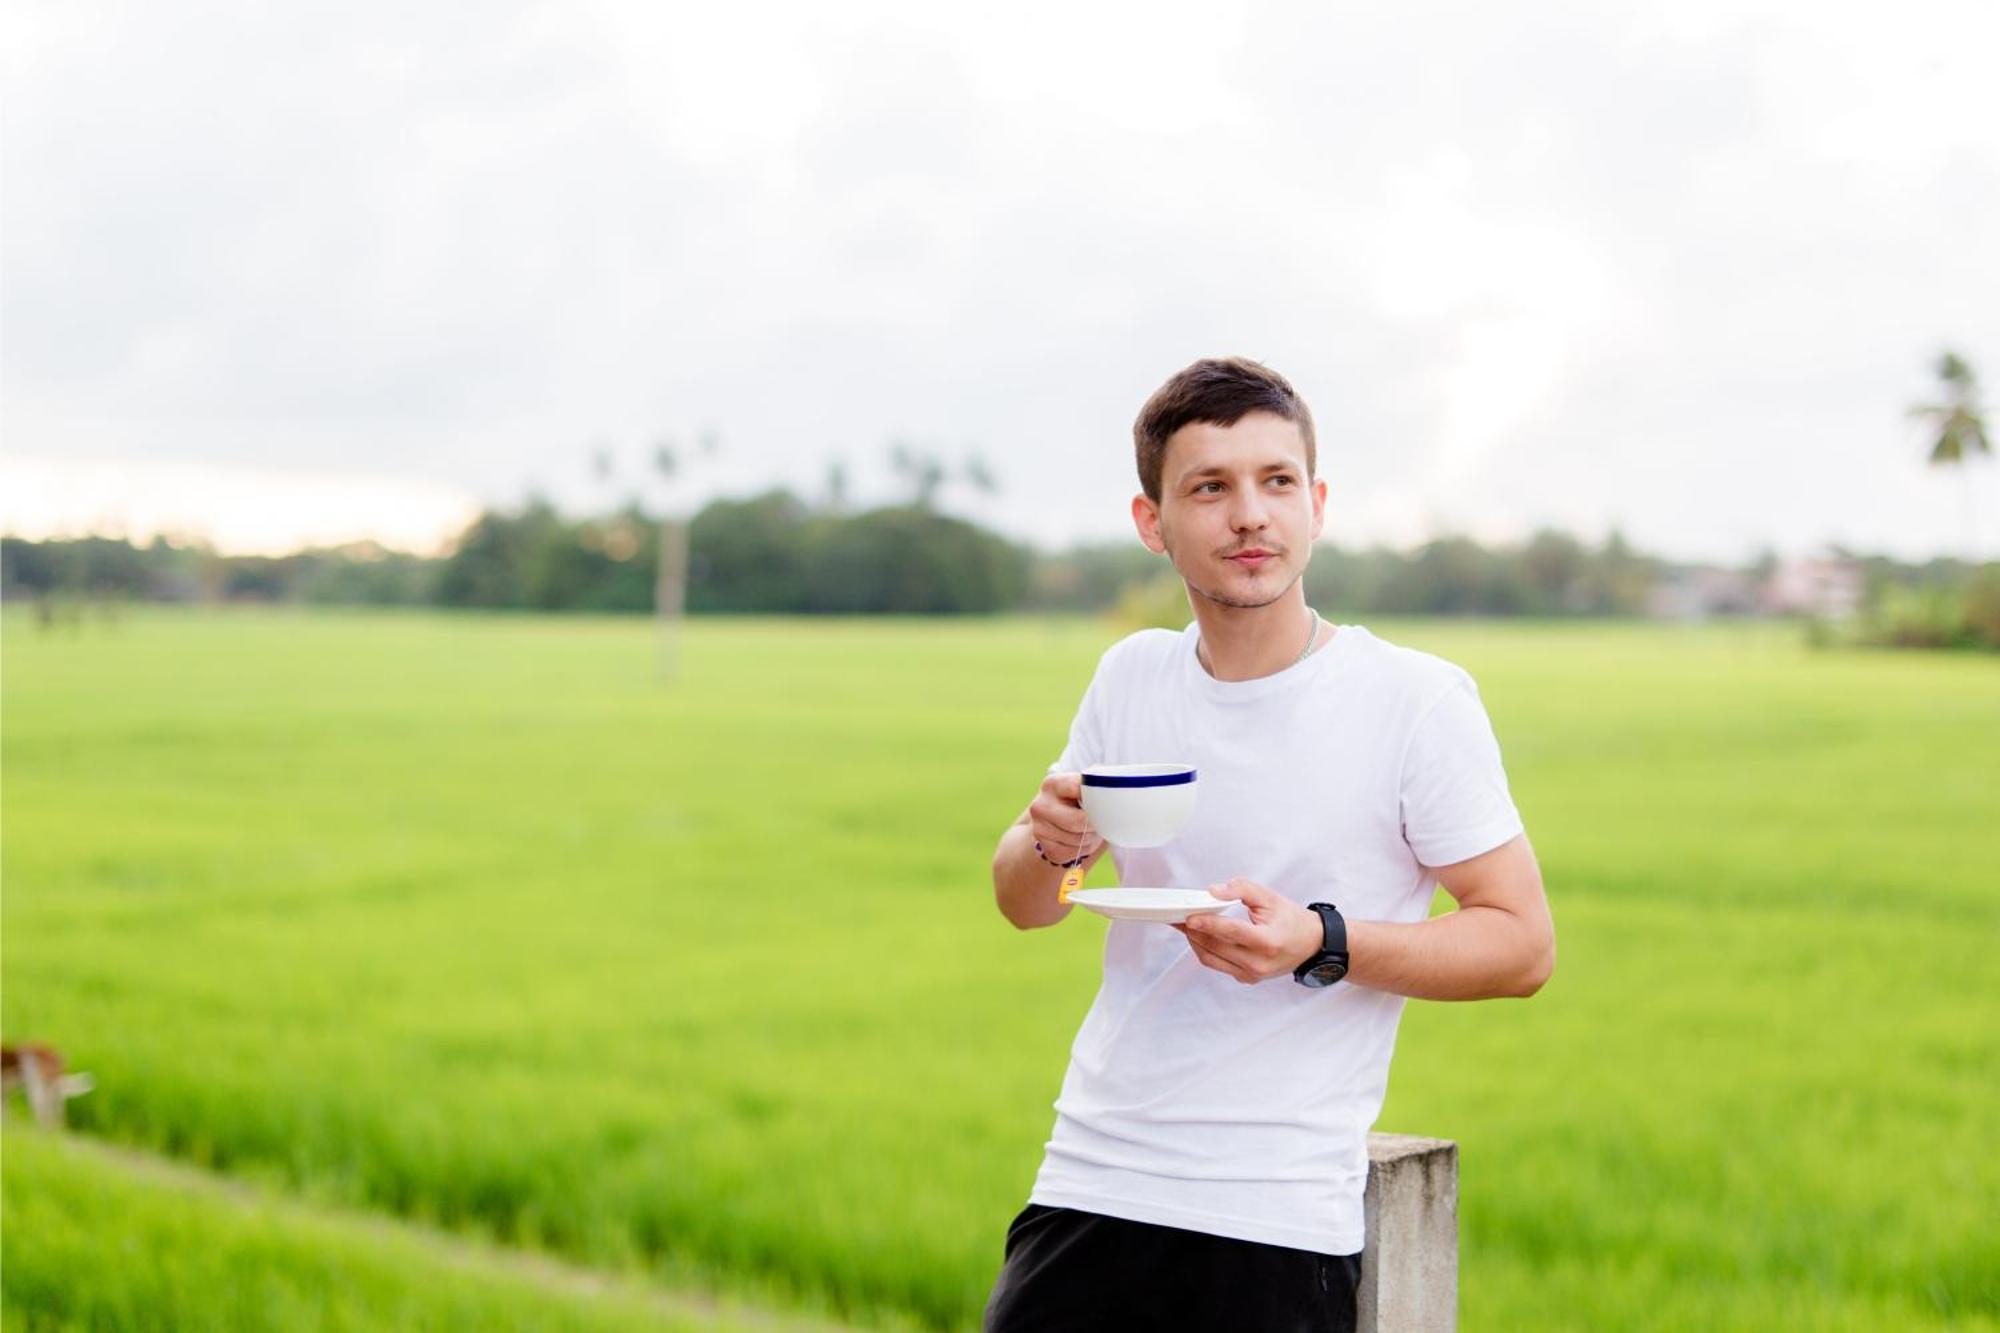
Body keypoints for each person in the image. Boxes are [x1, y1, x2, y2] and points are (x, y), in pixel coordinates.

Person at [983, 357, 1556, 1333]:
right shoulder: (1132, 676)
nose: (1248, 514)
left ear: (1315, 503)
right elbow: (1026, 900)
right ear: (1151, 522)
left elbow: (1520, 944)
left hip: (1273, 1214)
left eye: (1274, 481)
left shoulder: (1413, 702)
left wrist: (1319, 940)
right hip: (1090, 1176)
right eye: (1209, 486)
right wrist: (1053, 842)